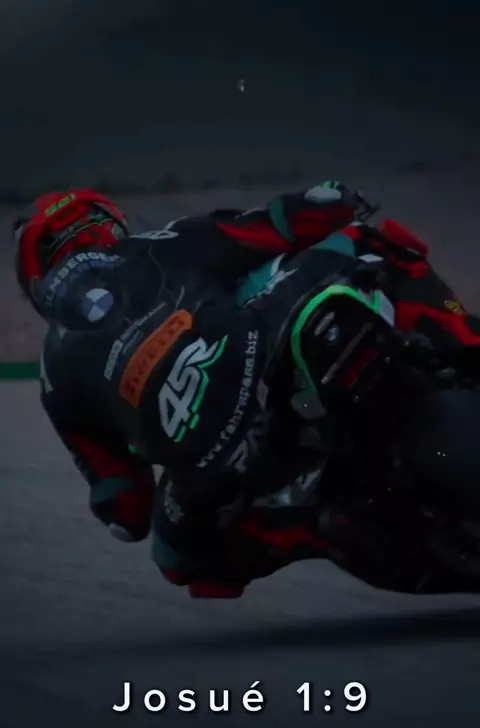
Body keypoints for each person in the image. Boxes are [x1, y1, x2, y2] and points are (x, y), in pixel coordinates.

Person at [13, 183, 480, 598]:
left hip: (211, 461)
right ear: (110, 223)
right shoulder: (162, 243)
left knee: (176, 560)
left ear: (35, 277)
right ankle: (467, 345)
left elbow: (125, 508)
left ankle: (315, 525)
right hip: (259, 346)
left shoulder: (54, 375)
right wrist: (331, 199)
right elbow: (283, 223)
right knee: (369, 242)